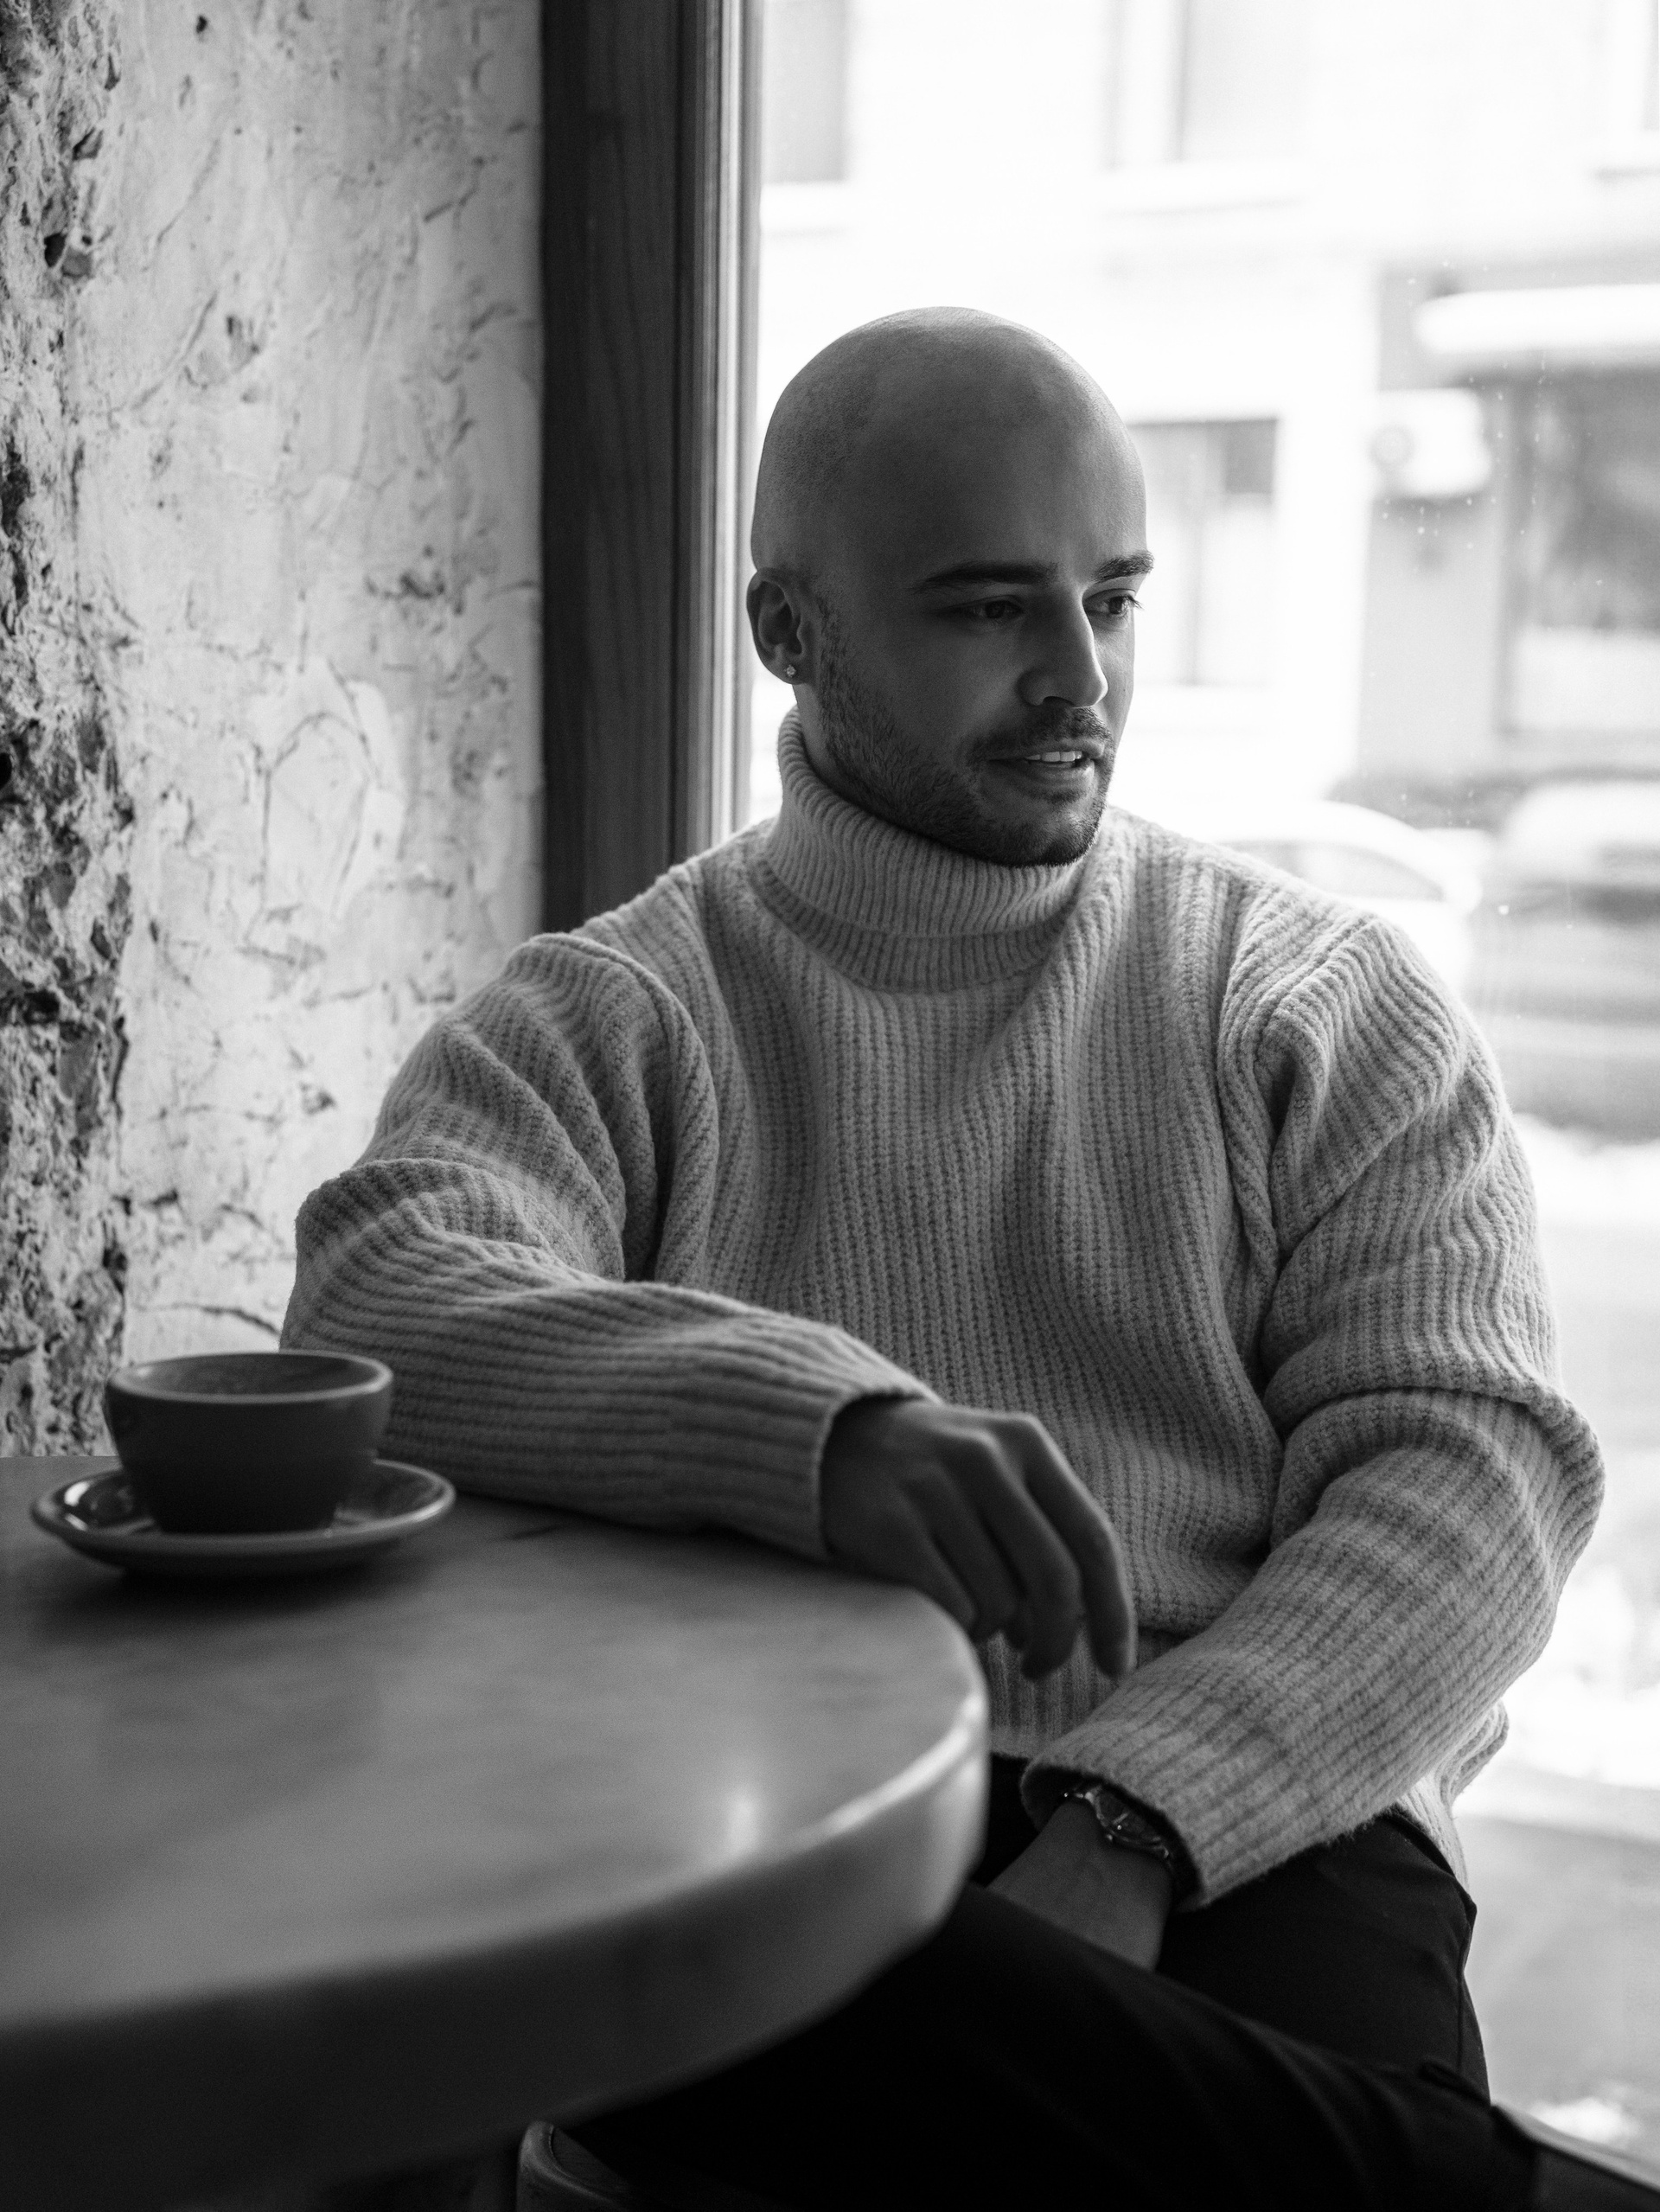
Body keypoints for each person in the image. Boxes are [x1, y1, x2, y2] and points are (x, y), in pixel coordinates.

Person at [284, 310, 1646, 2207]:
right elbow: (379, 1296)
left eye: (1116, 599)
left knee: (581, 1956)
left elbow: (1475, 1487)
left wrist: (1134, 1817)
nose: (1080, 677)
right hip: (781, 1788)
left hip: (1273, 1798)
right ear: (789, 632)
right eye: (992, 609)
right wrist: (826, 1439)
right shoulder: (624, 1014)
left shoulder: (1319, 1002)